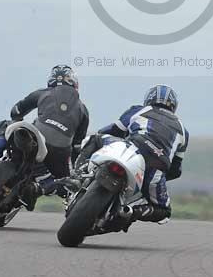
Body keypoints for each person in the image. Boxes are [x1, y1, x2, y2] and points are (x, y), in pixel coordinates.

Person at [0, 65, 89, 208]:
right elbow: (77, 146)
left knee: (4, 124)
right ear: (74, 82)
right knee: (64, 185)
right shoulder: (83, 110)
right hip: (60, 153)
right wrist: (74, 170)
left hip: (36, 138)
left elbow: (16, 111)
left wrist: (18, 120)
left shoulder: (44, 93)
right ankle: (40, 188)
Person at [76, 84, 188, 226]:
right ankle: (132, 211)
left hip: (133, 149)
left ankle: (77, 174)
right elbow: (176, 170)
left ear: (149, 99)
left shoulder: (139, 110)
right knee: (164, 211)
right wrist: (158, 178)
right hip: (156, 168)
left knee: (94, 139)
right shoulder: (183, 131)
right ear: (174, 106)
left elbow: (112, 130)